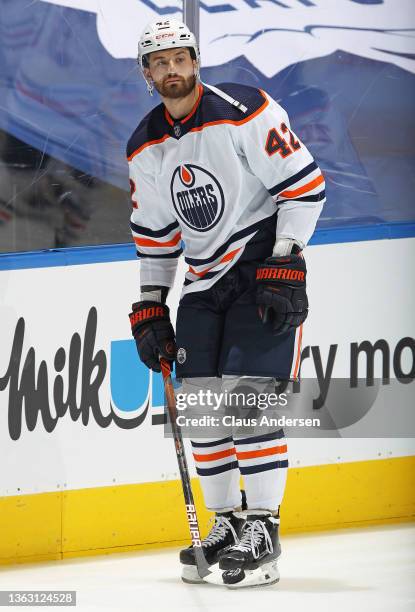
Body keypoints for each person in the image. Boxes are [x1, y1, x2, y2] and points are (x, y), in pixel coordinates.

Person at [127, 18, 325, 588]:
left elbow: (303, 186)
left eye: (179, 58)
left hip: (261, 267)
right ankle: (227, 522)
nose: (171, 69)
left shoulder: (244, 109)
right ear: (147, 74)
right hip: (204, 282)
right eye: (158, 62)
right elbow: (158, 240)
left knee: (249, 405)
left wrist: (286, 260)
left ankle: (263, 527)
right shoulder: (145, 146)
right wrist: (150, 304)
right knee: (203, 410)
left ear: (195, 60)